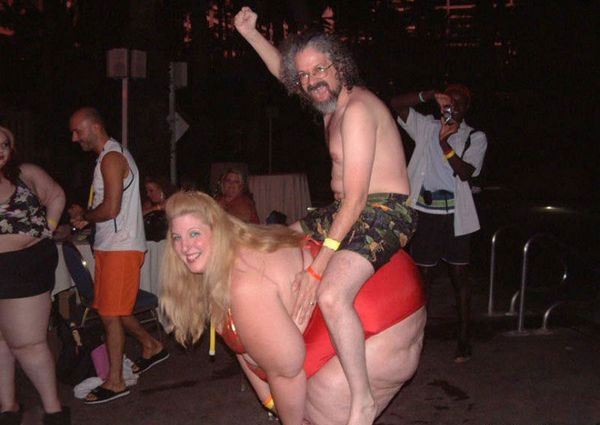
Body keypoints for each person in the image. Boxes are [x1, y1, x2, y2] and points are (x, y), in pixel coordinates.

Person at [234, 7, 415, 424]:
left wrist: (317, 270)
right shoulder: (328, 104)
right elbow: (285, 71)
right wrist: (250, 33)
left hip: (383, 212)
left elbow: (356, 202)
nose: (312, 80)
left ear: (339, 65)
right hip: (345, 207)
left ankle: (362, 399)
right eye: (305, 76)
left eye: (320, 69)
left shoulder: (357, 110)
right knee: (273, 239)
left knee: (332, 295)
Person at [160, 191, 426, 425]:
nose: (185, 247)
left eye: (194, 233)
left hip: (382, 298)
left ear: (218, 230)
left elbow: (287, 374)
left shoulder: (245, 284)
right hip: (334, 310)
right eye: (177, 237)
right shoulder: (216, 271)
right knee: (295, 397)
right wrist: (271, 403)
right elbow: (240, 345)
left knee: (319, 405)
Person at [69, 107, 168, 404]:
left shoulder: (112, 158)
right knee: (113, 309)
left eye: (77, 131)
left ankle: (115, 382)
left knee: (110, 315)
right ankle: (151, 346)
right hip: (112, 246)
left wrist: (86, 216)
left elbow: (111, 208)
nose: (74, 138)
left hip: (121, 247)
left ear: (95, 127)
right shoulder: (106, 157)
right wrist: (88, 216)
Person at [390, 84, 487, 362]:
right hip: (426, 213)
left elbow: (466, 173)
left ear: (466, 108)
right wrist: (430, 94)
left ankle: (464, 338)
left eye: (459, 104)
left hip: (457, 216)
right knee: (423, 280)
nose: (452, 108)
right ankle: (416, 339)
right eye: (448, 102)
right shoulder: (426, 126)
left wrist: (445, 144)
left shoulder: (474, 136)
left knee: (460, 278)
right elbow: (396, 103)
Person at [0, 125, 70, 424]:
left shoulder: (25, 174)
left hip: (25, 266)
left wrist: (47, 228)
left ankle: (54, 412)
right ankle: (8, 408)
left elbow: (56, 195)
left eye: (4, 144)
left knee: (27, 344)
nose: (0, 150)